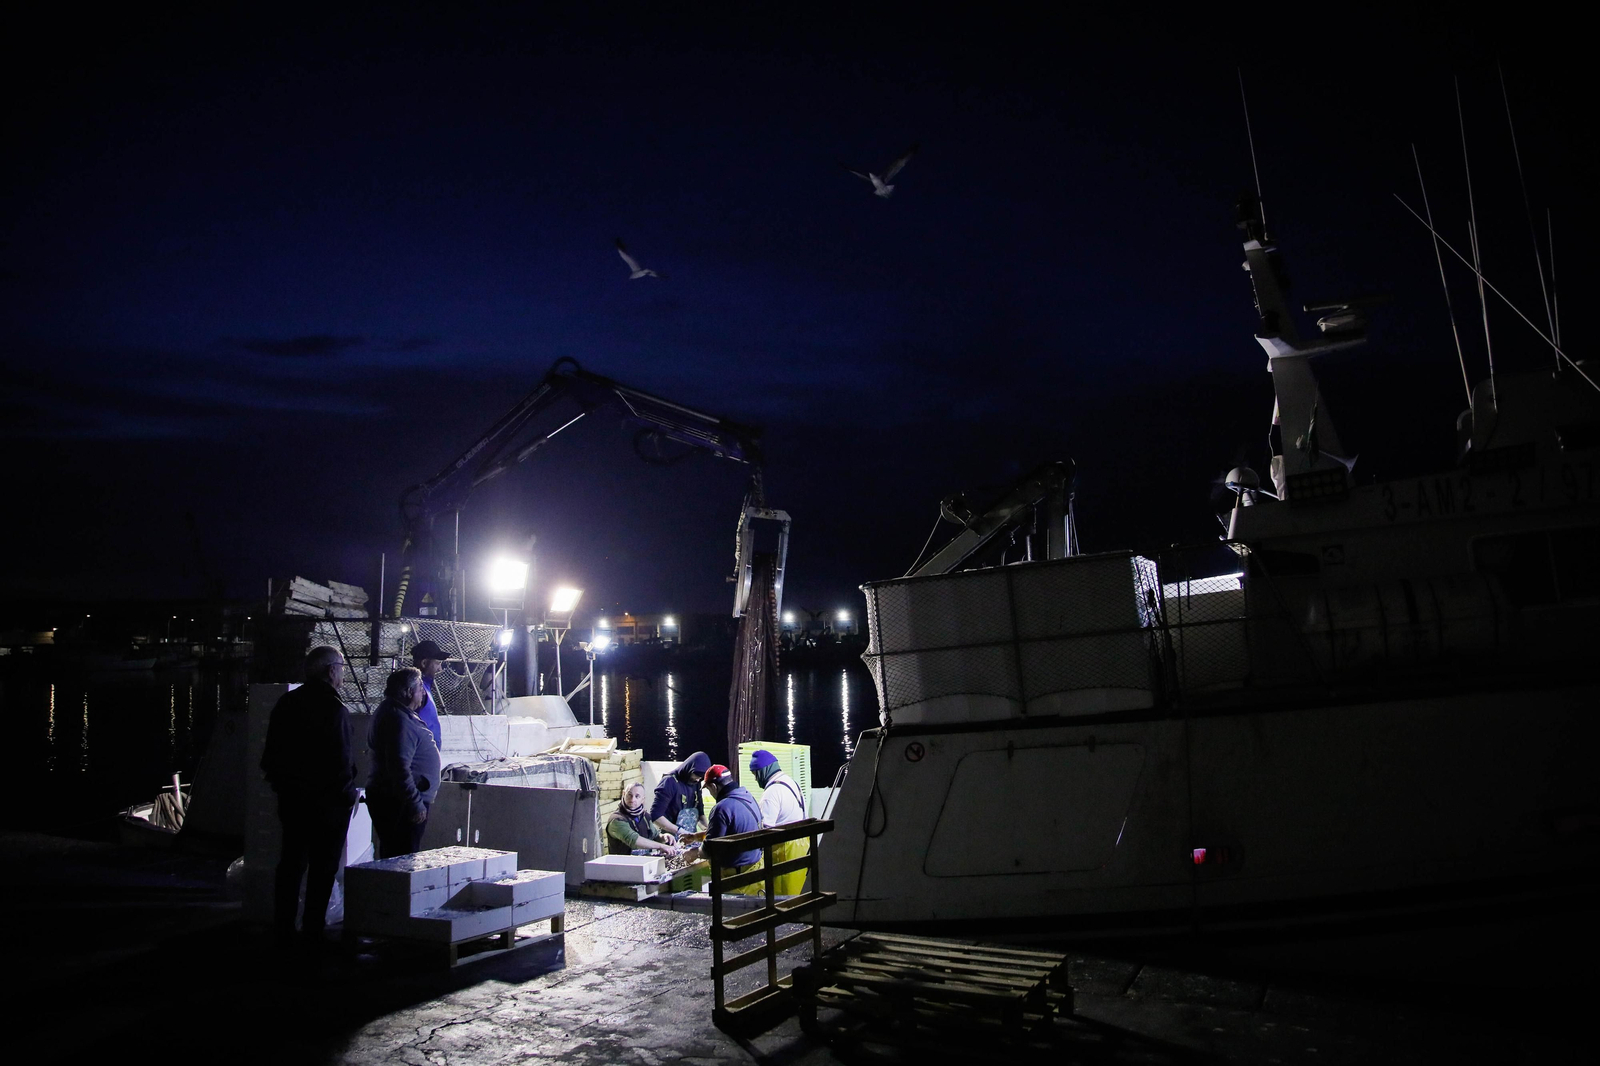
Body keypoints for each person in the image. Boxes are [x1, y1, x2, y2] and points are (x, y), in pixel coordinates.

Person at [260, 646, 359, 944]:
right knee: (322, 869)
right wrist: (346, 797)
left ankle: (284, 927)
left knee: (290, 865)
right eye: (340, 666)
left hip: (292, 802)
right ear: (331, 670)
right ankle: (313, 929)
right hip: (327, 807)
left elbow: (270, 758)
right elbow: (342, 763)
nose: (342, 671)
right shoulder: (335, 709)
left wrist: (284, 788)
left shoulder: (287, 703)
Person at [366, 667, 441, 859]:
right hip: (399, 802)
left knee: (396, 854)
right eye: (420, 689)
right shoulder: (398, 719)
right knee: (402, 858)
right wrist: (415, 803)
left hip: (397, 798)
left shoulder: (396, 712)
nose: (423, 694)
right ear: (408, 692)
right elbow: (399, 767)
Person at [749, 749, 810, 895]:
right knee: (798, 895)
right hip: (802, 846)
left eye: (755, 774)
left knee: (782, 900)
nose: (756, 780)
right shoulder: (791, 782)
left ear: (762, 771)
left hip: (784, 851)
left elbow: (765, 832)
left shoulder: (771, 793)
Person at [704, 764, 764, 895]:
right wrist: (698, 836)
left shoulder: (722, 807)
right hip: (756, 873)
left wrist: (693, 853)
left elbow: (708, 851)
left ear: (713, 786)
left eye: (709, 789)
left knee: (734, 914)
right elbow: (737, 828)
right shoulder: (748, 797)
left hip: (736, 880)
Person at [607, 783, 678, 856]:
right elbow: (634, 840)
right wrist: (661, 846)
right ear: (624, 794)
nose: (632, 799)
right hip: (623, 865)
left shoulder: (645, 816)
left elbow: (655, 836)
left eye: (637, 796)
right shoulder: (616, 820)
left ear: (642, 799)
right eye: (629, 795)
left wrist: (664, 837)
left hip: (645, 862)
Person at [651, 751, 711, 837]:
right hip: (670, 837)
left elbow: (700, 812)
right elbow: (656, 815)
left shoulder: (696, 782)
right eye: (696, 775)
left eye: (700, 778)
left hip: (690, 837)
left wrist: (706, 830)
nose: (698, 780)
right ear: (689, 769)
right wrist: (680, 831)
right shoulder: (669, 782)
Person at [409, 639, 449, 749]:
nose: (440, 668)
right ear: (424, 663)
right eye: (437, 663)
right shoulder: (417, 690)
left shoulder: (424, 688)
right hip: (419, 758)